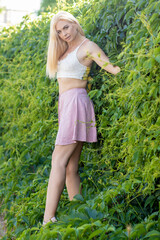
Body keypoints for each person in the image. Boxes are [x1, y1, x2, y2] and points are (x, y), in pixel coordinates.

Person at [43, 11, 120, 225]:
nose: (63, 33)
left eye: (66, 27)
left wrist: (131, 67)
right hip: (67, 105)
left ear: (75, 23)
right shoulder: (66, 50)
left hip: (77, 102)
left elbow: (112, 68)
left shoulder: (88, 46)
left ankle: (47, 221)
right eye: (59, 31)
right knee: (70, 167)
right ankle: (80, 217)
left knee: (57, 160)